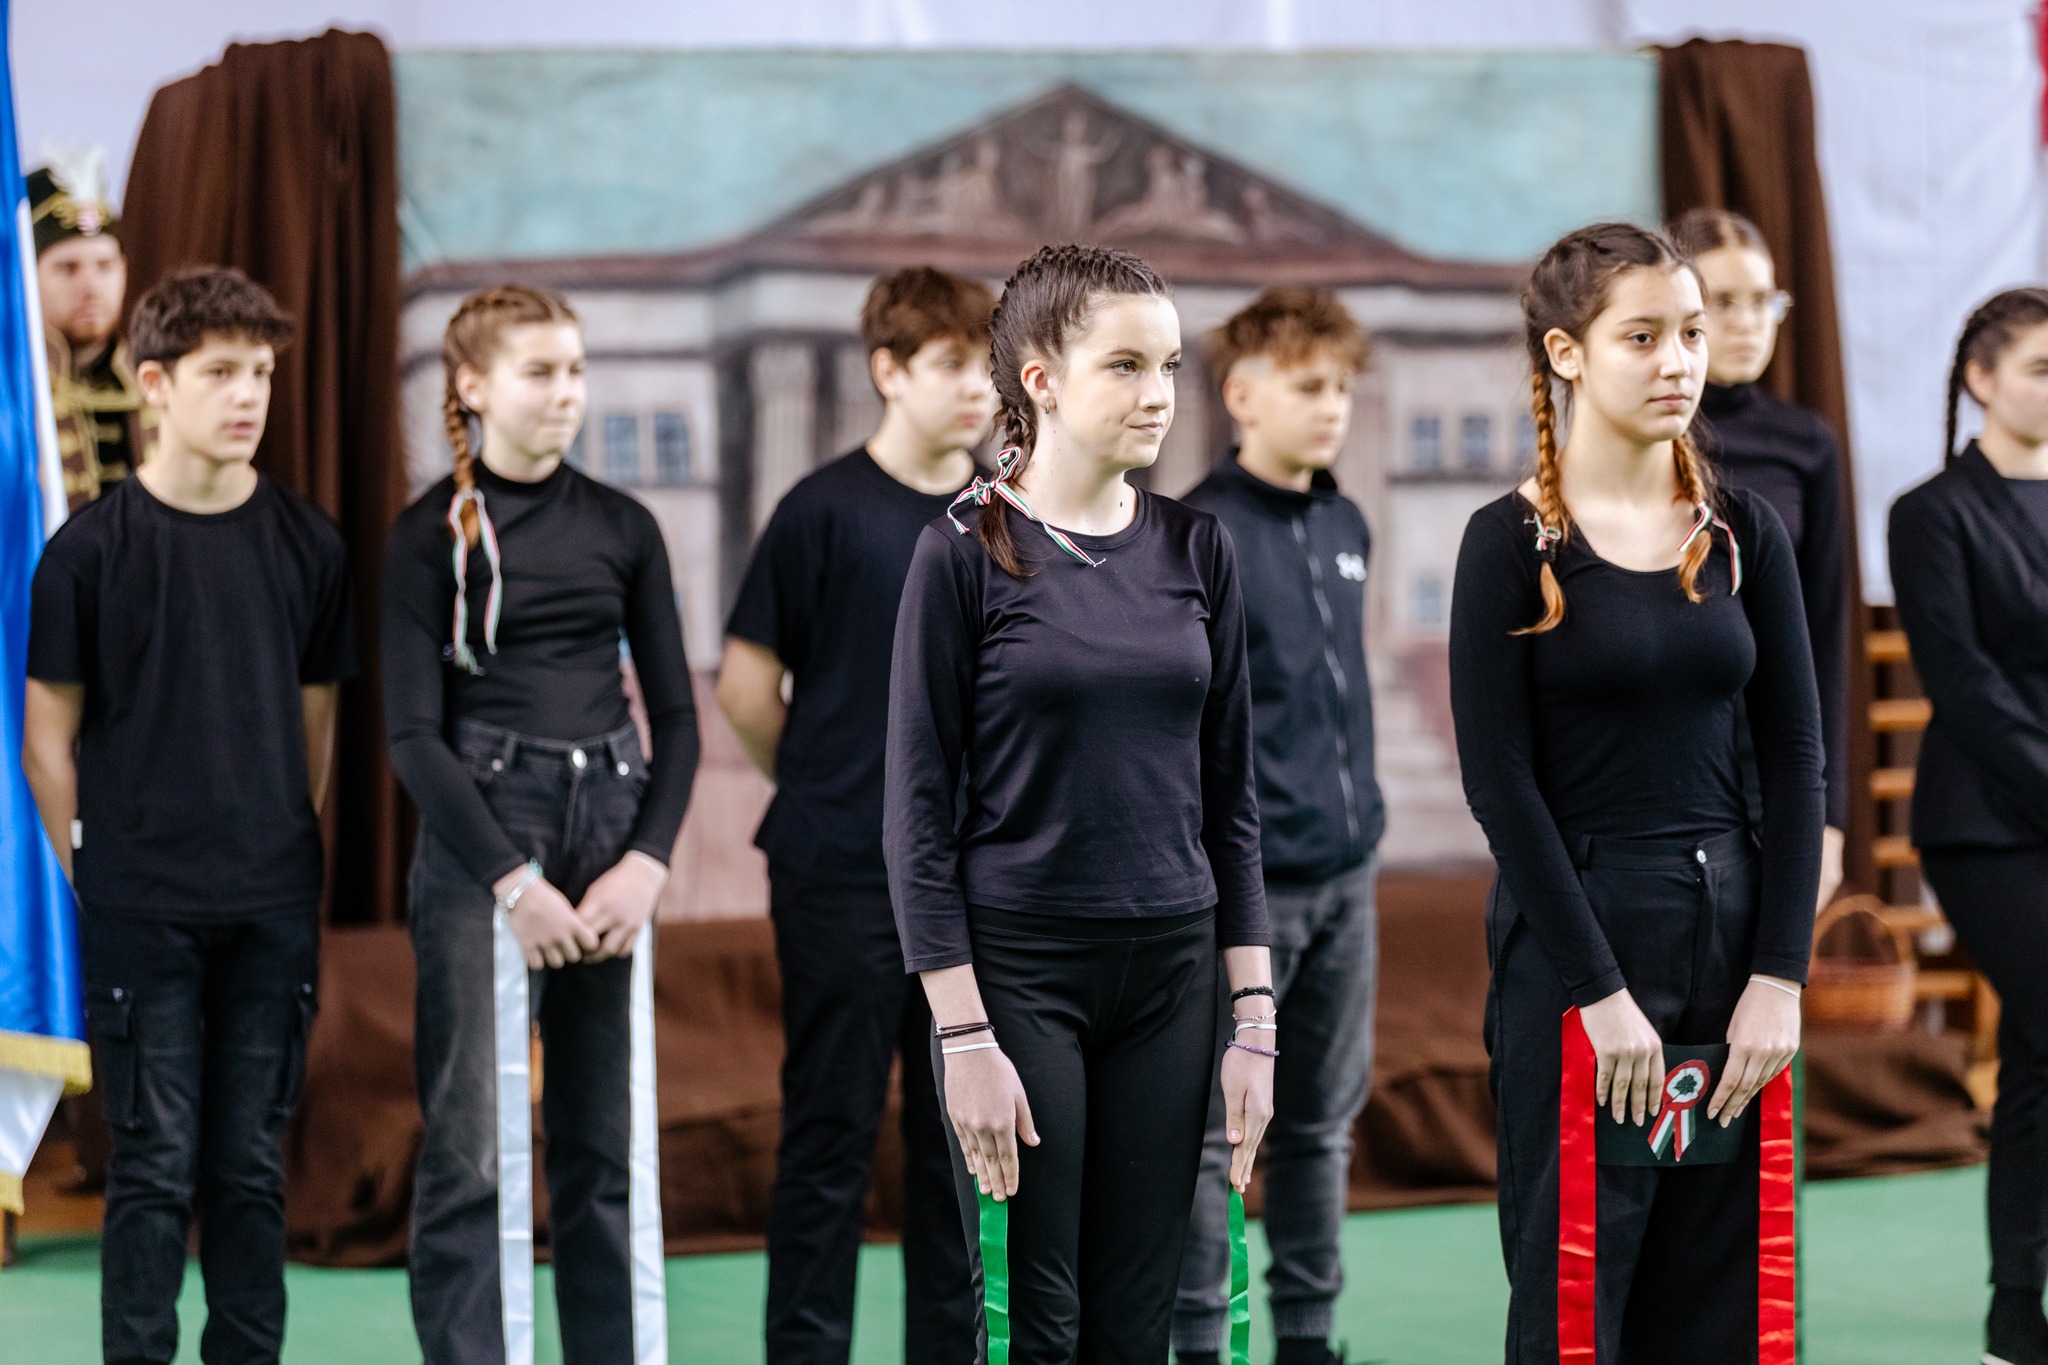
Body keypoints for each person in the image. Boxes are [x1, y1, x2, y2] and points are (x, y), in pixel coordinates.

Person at [885, 243, 1277, 1365]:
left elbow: (1230, 800)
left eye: (1169, 366)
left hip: (1171, 976)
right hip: (1019, 976)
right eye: (1125, 365)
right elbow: (914, 818)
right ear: (1042, 380)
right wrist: (963, 1034)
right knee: (1035, 1324)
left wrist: (1253, 1019)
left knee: (1136, 1320)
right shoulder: (960, 553)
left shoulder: (1198, 547)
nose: (1159, 393)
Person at [1448, 224, 1822, 1364]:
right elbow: (1499, 785)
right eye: (1643, 337)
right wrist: (1598, 995)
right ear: (1566, 353)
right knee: (1578, 1304)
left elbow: (1795, 755)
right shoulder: (1507, 543)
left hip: (1734, 941)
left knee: (1724, 1301)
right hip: (1582, 946)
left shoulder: (1743, 530)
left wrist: (1779, 976)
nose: (1679, 362)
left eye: (1692, 335)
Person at [22, 267, 351, 1364]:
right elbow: (47, 738)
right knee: (153, 1167)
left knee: (249, 1169)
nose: (248, 395)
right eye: (221, 373)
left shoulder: (309, 546)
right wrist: (93, 871)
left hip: (270, 905)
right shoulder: (86, 553)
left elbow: (314, 731)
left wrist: (271, 843)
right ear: (154, 384)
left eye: (261, 372)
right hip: (139, 907)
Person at [382, 284, 699, 1365]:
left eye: (576, 370)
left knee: (604, 1143)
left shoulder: (625, 525)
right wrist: (513, 884)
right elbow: (412, 737)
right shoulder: (426, 536)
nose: (567, 393)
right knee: (472, 1147)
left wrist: (645, 862)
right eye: (540, 373)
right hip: (486, 830)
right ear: (471, 386)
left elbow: (677, 720)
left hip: (608, 826)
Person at [719, 266, 994, 1365]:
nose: (977, 388)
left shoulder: (1007, 517)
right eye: (950, 364)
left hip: (975, 886)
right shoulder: (819, 511)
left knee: (960, 1149)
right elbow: (748, 689)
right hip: (837, 877)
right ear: (888, 370)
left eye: (987, 366)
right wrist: (836, 787)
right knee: (828, 1135)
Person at [1171, 287, 1381, 1365]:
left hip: (1348, 882)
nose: (1331, 406)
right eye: (1308, 386)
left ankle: (1307, 1338)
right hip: (1244, 896)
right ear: (1242, 394)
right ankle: (1201, 1342)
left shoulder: (1347, 524)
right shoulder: (1196, 535)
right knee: (1211, 1140)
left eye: (1341, 387)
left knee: (1317, 1127)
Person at [1889, 288, 2048, 1365]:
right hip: (1985, 824)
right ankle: (2017, 1301)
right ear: (1980, 380)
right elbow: (1964, 684)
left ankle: (2016, 1305)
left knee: (2036, 1052)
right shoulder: (1930, 512)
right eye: (2037, 367)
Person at [1670, 208, 1848, 914]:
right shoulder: (1650, 433)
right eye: (1723, 302)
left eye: (1762, 301)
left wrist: (1828, 815)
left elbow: (1826, 633)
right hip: (1665, 760)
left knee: (1770, 977)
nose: (1747, 323)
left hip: (1776, 757)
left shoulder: (1806, 442)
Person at [31, 153, 154, 511]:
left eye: (104, 266)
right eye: (67, 269)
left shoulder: (156, 377)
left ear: (124, 269)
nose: (91, 287)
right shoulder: (15, 390)